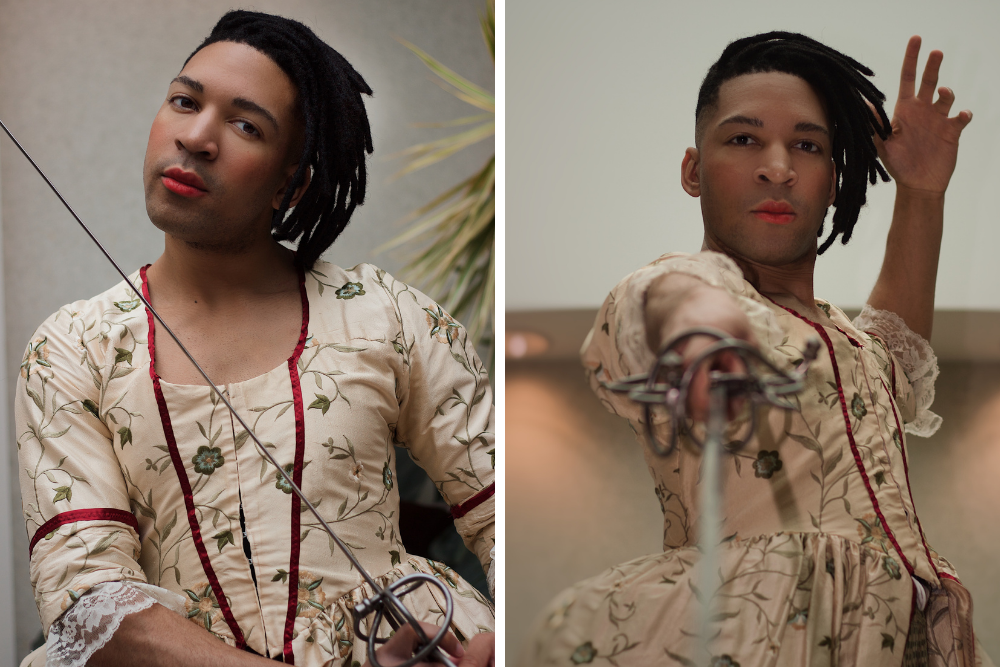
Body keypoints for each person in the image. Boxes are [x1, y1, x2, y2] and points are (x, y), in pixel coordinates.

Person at [15, 10, 494, 667]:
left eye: (246, 124)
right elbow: (92, 604)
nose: (198, 137)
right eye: (185, 101)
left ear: (290, 182)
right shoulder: (71, 347)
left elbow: (507, 512)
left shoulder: (390, 315)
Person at [523, 32, 988, 666]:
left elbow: (895, 356)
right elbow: (654, 311)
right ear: (693, 171)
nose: (778, 166)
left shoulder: (846, 342)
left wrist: (922, 192)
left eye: (807, 144)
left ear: (832, 182)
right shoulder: (678, 285)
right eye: (744, 139)